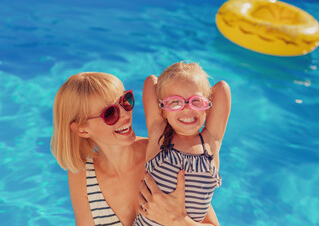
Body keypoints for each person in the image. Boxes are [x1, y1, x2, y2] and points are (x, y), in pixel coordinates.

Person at [50, 72, 220, 226]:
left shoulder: (164, 156)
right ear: (82, 129)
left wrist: (178, 221)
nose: (125, 115)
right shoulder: (83, 174)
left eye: (125, 101)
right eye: (110, 113)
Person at [134, 62, 231, 225]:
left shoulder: (210, 143)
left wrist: (198, 91)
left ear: (208, 105)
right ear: (162, 110)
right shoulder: (159, 138)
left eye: (196, 101)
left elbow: (223, 88)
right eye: (175, 102)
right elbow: (151, 82)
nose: (187, 109)